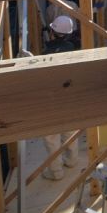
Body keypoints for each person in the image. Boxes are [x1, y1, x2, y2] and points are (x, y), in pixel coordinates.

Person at [42, 15, 79, 179]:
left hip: (52, 100)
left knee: (51, 137)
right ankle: (72, 160)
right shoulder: (72, 48)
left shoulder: (47, 52)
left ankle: (56, 171)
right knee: (70, 131)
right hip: (70, 99)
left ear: (52, 31)